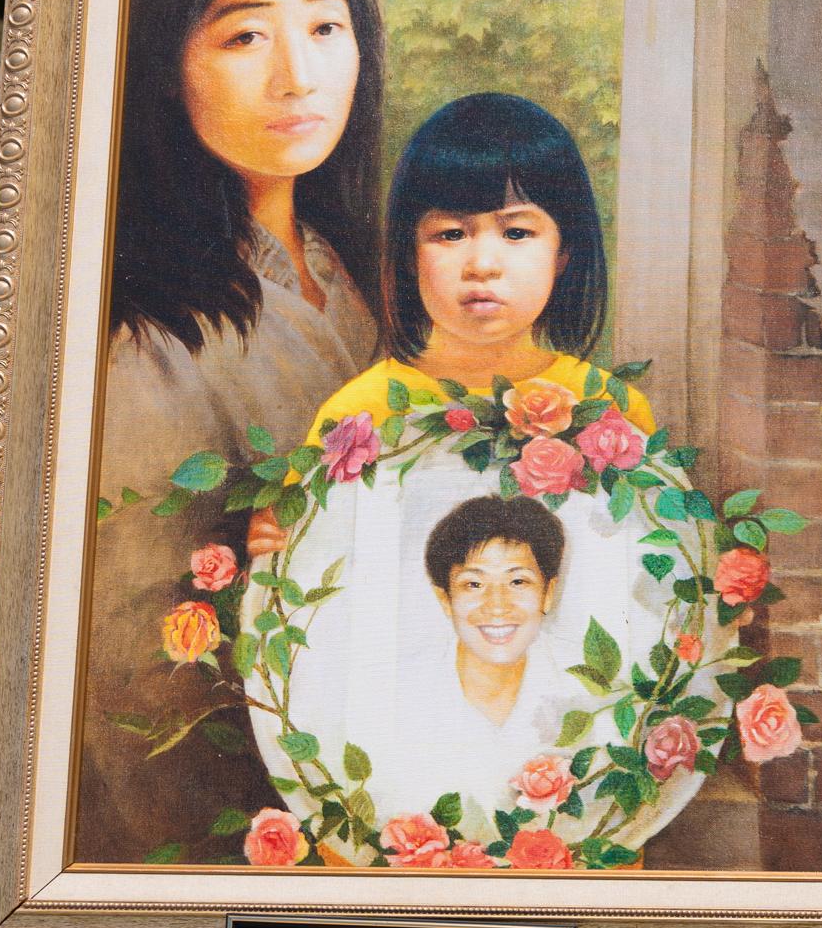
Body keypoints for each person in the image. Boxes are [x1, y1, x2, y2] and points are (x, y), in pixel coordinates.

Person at [74, 0, 385, 863]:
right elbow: (139, 672)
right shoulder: (147, 337)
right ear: (168, 69)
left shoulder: (346, 266)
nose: (300, 75)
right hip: (254, 817)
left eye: (327, 27)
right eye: (245, 38)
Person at [249, 91, 653, 554]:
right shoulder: (359, 413)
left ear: (563, 252)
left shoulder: (608, 411)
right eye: (451, 234)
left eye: (517, 232)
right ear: (409, 254)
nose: (482, 263)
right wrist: (276, 540)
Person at [425, 495, 563, 728]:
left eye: (518, 582)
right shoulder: (405, 688)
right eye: (474, 584)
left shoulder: (582, 685)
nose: (497, 606)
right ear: (445, 599)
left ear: (547, 593)